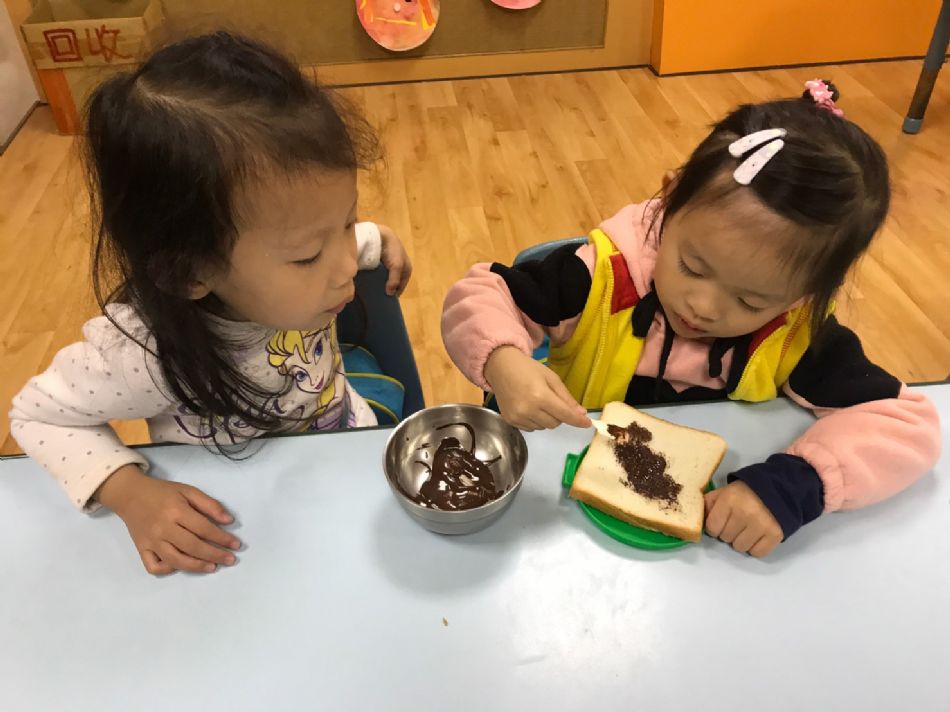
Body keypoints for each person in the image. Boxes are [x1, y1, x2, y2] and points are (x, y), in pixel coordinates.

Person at [441, 80, 941, 557]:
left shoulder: (798, 332)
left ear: (803, 294)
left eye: (751, 301)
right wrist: (503, 359)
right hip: (558, 523)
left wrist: (794, 486)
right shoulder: (598, 278)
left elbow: (908, 426)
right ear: (668, 202)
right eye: (692, 267)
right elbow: (483, 293)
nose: (703, 306)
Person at [9, 32, 412, 575]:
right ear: (189, 272)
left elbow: (336, 242)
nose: (345, 267)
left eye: (347, 222)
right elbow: (37, 416)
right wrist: (127, 492)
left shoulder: (308, 261)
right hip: (240, 524)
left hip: (345, 457)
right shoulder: (144, 353)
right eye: (308, 255)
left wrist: (377, 238)